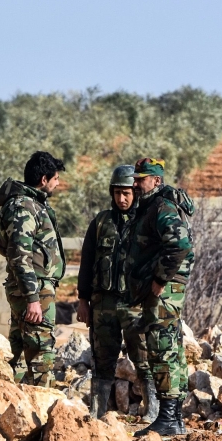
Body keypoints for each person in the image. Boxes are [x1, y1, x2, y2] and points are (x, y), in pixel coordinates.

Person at [122, 157, 195, 436]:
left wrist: (159, 279)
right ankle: (173, 419)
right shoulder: (151, 205)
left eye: (142, 179)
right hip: (164, 290)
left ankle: (168, 417)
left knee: (162, 349)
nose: (137, 183)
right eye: (136, 178)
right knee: (171, 348)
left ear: (157, 181)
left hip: (164, 290)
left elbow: (179, 245)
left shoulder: (161, 207)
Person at [76, 165, 155, 420]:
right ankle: (97, 416)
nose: (122, 199)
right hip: (104, 306)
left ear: (136, 192)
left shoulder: (145, 221)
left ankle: (152, 414)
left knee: (144, 361)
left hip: (135, 305)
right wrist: (82, 300)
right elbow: (86, 263)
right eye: (118, 193)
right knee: (102, 362)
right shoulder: (100, 223)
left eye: (127, 193)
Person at [0, 151, 66, 387]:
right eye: (55, 179)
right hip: (33, 290)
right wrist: (33, 297)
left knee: (19, 350)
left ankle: (15, 403)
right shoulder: (23, 207)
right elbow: (18, 253)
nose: (58, 183)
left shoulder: (27, 204)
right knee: (41, 351)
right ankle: (43, 412)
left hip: (30, 288)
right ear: (44, 179)